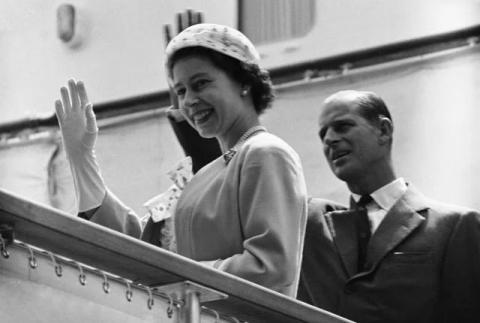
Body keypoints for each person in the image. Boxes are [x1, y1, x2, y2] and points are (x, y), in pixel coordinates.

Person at [54, 23, 307, 297]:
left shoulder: (263, 153)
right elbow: (143, 251)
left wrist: (179, 278)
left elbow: (271, 266)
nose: (190, 101)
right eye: (182, 91)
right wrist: (82, 161)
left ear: (244, 81)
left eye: (200, 84)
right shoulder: (207, 174)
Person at [297, 90, 480, 322]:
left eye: (342, 126)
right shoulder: (314, 230)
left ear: (383, 130)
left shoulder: (455, 226)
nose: (329, 139)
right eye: (323, 133)